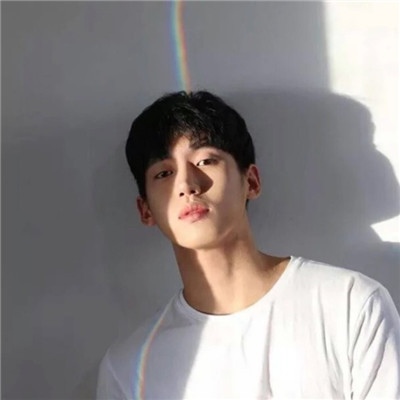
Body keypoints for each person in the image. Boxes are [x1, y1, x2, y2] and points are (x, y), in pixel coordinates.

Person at [97, 91, 400, 399]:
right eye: (164, 173)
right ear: (145, 210)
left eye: (205, 161)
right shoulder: (129, 368)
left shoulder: (350, 304)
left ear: (251, 181)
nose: (187, 185)